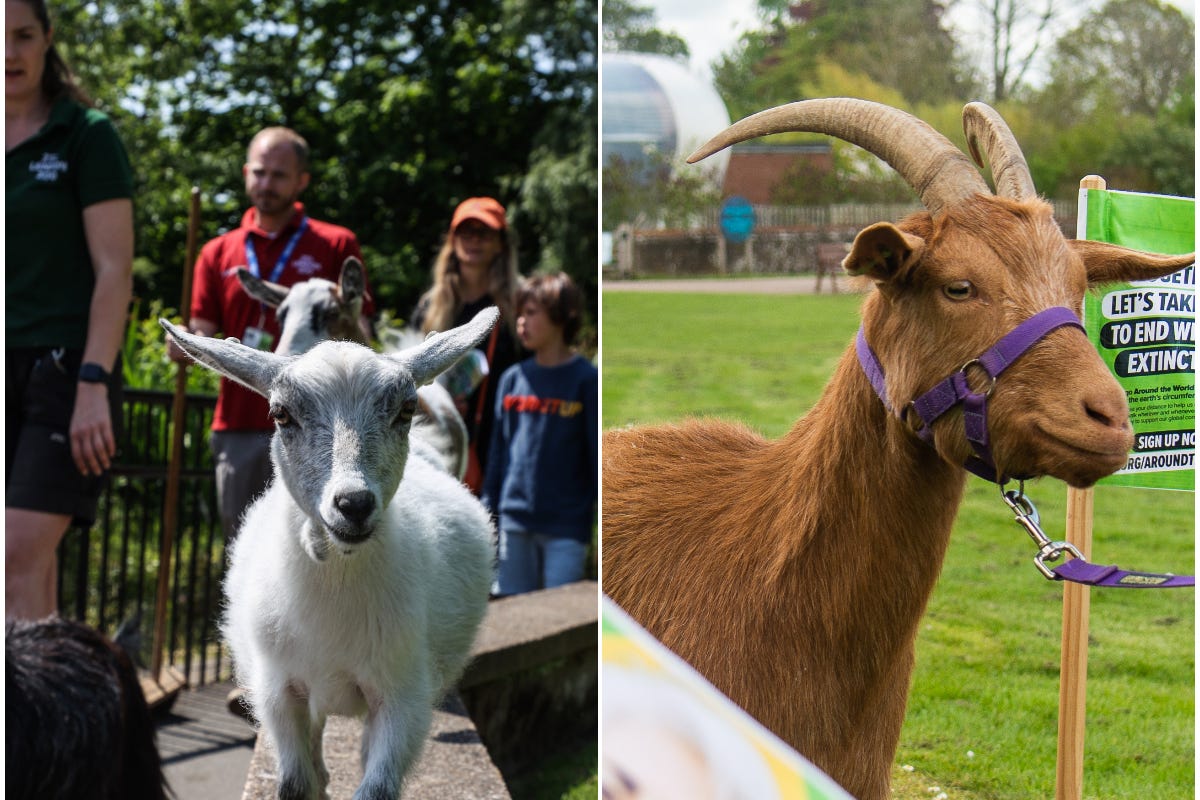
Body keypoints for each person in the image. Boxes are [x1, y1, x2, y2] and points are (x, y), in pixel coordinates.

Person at [167, 126, 375, 547]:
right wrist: (187, 343)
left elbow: (363, 334)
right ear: (246, 173)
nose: (266, 184)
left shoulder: (336, 243)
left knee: (327, 547)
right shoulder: (217, 251)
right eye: (260, 172)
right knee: (246, 546)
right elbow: (203, 331)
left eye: (279, 175)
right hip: (241, 425)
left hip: (326, 429)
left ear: (302, 181)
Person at [6, 0, 134, 620]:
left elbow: (114, 270)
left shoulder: (86, 135)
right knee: (30, 576)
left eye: (23, 35)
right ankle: (58, 715)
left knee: (14, 561)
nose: (9, 52)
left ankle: (19, 717)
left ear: (47, 39)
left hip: (63, 373)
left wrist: (92, 381)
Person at [481, 272, 597, 595]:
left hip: (565, 528)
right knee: (517, 620)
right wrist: (487, 513)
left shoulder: (586, 381)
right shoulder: (512, 380)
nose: (521, 322)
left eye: (531, 313)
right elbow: (498, 456)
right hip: (514, 523)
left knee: (561, 620)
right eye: (519, 314)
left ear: (561, 316)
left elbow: (594, 459)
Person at [411, 197, 522, 490]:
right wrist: (436, 401)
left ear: (500, 243)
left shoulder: (520, 305)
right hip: (439, 432)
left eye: (484, 233)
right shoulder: (430, 307)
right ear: (453, 239)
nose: (474, 240)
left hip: (502, 432)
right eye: (466, 231)